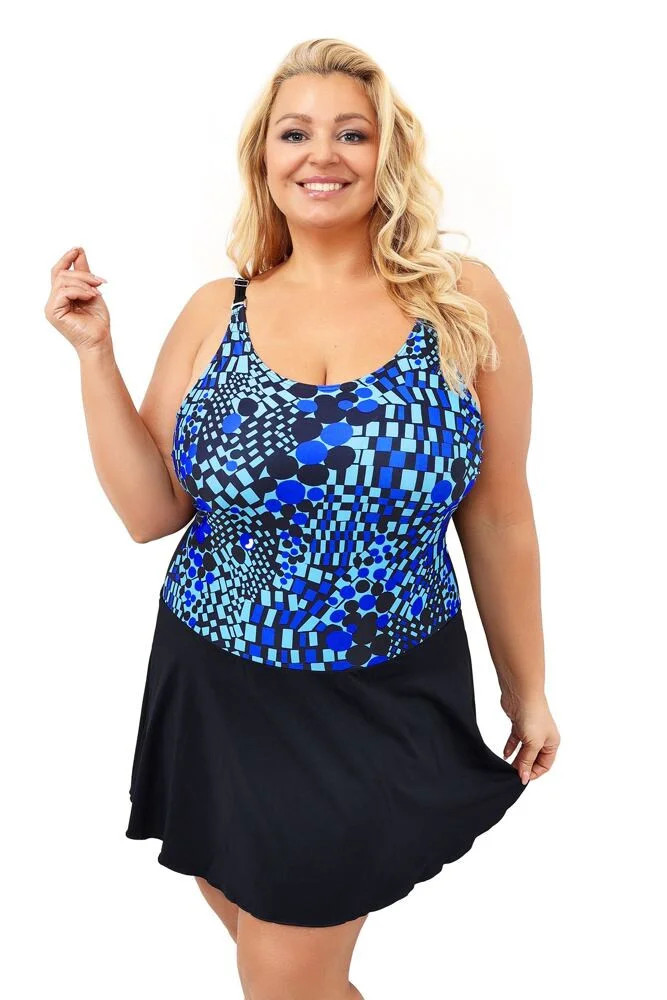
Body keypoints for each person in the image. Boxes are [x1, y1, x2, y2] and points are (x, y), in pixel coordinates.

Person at [44, 37, 560, 1000]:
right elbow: (151, 512)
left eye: (350, 133)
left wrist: (524, 686)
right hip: (218, 680)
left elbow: (498, 515)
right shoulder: (217, 311)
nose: (322, 154)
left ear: (385, 154)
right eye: (295, 133)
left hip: (383, 687)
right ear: (264, 157)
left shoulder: (458, 302)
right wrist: (94, 354)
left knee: (282, 975)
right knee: (279, 960)